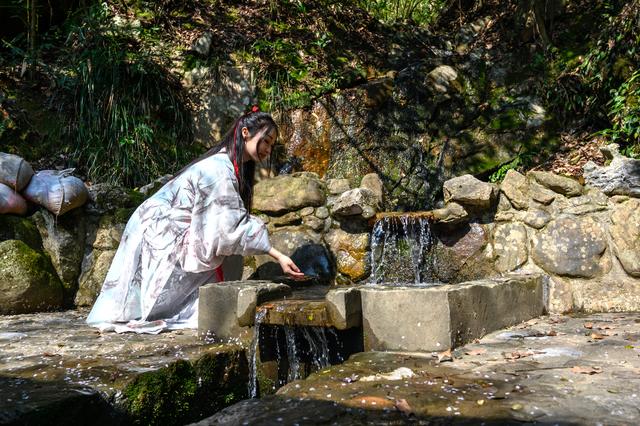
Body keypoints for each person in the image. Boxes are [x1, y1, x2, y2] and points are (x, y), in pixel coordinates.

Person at [87, 109, 304, 333]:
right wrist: (277, 254)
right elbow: (229, 227)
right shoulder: (219, 170)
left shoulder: (227, 165)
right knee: (162, 300)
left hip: (156, 224)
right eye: (266, 141)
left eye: (271, 145)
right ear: (246, 133)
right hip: (159, 227)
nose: (268, 150)